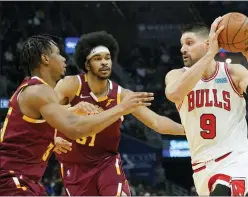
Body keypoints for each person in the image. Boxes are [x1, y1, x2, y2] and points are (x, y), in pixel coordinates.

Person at [0, 35, 154, 196]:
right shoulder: (39, 91)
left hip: (23, 180)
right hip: (12, 180)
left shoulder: (33, 89)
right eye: (58, 54)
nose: (64, 59)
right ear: (45, 59)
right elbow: (75, 129)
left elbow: (21, 129)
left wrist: (51, 138)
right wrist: (121, 108)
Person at [54, 31, 185, 196]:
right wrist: (54, 134)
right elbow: (47, 112)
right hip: (75, 166)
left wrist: (188, 129)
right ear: (87, 64)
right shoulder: (71, 85)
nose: (104, 63)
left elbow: (157, 122)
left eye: (107, 58)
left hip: (106, 162)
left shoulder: (121, 95)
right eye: (98, 58)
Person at [165, 17, 248, 196]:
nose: (182, 49)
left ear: (208, 44)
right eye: (182, 44)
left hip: (236, 160)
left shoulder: (234, 73)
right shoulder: (175, 76)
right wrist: (210, 54)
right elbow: (175, 94)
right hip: (201, 168)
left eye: (189, 43)